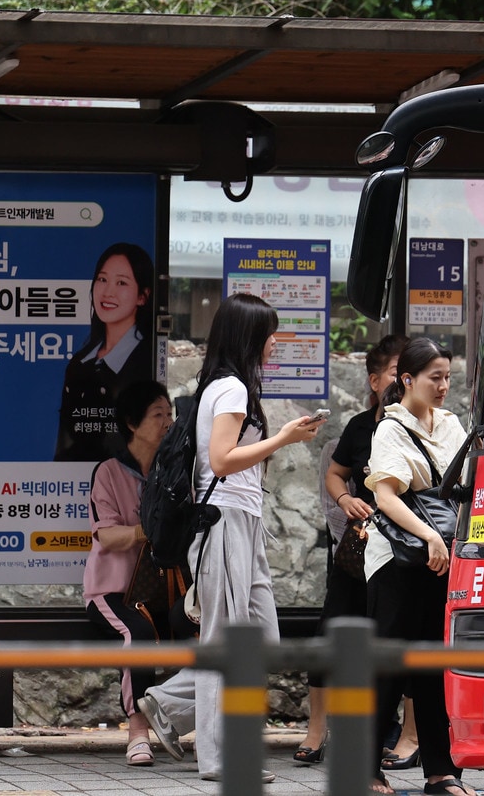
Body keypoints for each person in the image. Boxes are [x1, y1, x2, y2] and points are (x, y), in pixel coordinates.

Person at [137, 292, 323, 783]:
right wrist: (283, 438)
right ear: (250, 337)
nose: (275, 343)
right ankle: (222, 758)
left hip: (239, 523)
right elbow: (221, 460)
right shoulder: (232, 390)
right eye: (270, 334)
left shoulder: (221, 387)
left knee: (262, 641)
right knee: (230, 643)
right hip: (225, 525)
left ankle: (167, 702)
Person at [295, 334, 420, 767]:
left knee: (402, 640)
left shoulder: (429, 424)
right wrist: (346, 499)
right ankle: (316, 731)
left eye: (411, 370)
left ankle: (409, 737)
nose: (403, 378)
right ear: (374, 380)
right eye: (394, 370)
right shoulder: (360, 428)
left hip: (407, 554)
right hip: (358, 550)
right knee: (328, 635)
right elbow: (335, 474)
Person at [364, 337, 472, 796]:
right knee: (389, 664)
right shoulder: (389, 429)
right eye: (435, 378)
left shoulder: (451, 424)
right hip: (398, 558)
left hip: (442, 557)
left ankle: (440, 771)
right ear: (407, 380)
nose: (444, 386)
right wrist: (429, 535)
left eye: (448, 377)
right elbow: (385, 496)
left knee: (432, 664)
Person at [82, 379, 175, 767]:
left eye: (170, 414)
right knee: (136, 633)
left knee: (200, 630)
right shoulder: (108, 472)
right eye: (158, 415)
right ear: (132, 424)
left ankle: (188, 722)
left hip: (163, 590)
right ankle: (138, 731)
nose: (168, 422)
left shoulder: (174, 471)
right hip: (113, 592)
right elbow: (106, 534)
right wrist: (146, 531)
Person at [55, 241, 155, 462]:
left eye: (121, 283)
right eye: (102, 279)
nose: (108, 292)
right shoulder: (79, 363)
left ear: (142, 296)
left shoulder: (148, 360)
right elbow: (63, 441)